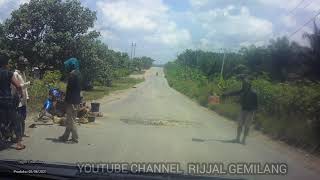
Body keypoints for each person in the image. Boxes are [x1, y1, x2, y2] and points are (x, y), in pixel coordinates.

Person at [221, 78, 258, 145]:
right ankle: (237, 138)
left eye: (245, 84)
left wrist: (253, 113)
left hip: (250, 111)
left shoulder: (254, 93)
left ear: (249, 85)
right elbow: (235, 93)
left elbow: (256, 105)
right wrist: (226, 94)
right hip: (243, 109)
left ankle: (243, 139)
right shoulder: (243, 90)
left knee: (247, 126)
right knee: (240, 125)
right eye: (243, 84)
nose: (244, 85)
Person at [0, 54, 25, 150]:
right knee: (17, 120)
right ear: (5, 64)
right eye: (9, 63)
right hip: (7, 100)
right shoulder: (8, 73)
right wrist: (21, 94)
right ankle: (19, 143)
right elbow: (18, 86)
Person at [58, 57, 81, 143]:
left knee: (71, 120)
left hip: (71, 101)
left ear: (71, 65)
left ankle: (75, 138)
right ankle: (65, 136)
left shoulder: (72, 75)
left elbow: (71, 90)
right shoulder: (78, 74)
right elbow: (77, 89)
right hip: (76, 100)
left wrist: (69, 102)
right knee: (70, 119)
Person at [11, 56, 30, 137]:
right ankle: (17, 134)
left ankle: (21, 133)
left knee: (23, 116)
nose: (25, 67)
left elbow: (25, 89)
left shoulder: (23, 73)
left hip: (24, 99)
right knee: (18, 118)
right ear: (19, 65)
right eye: (24, 65)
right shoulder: (15, 74)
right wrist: (27, 84)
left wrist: (27, 97)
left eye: (25, 65)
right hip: (18, 100)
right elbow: (16, 87)